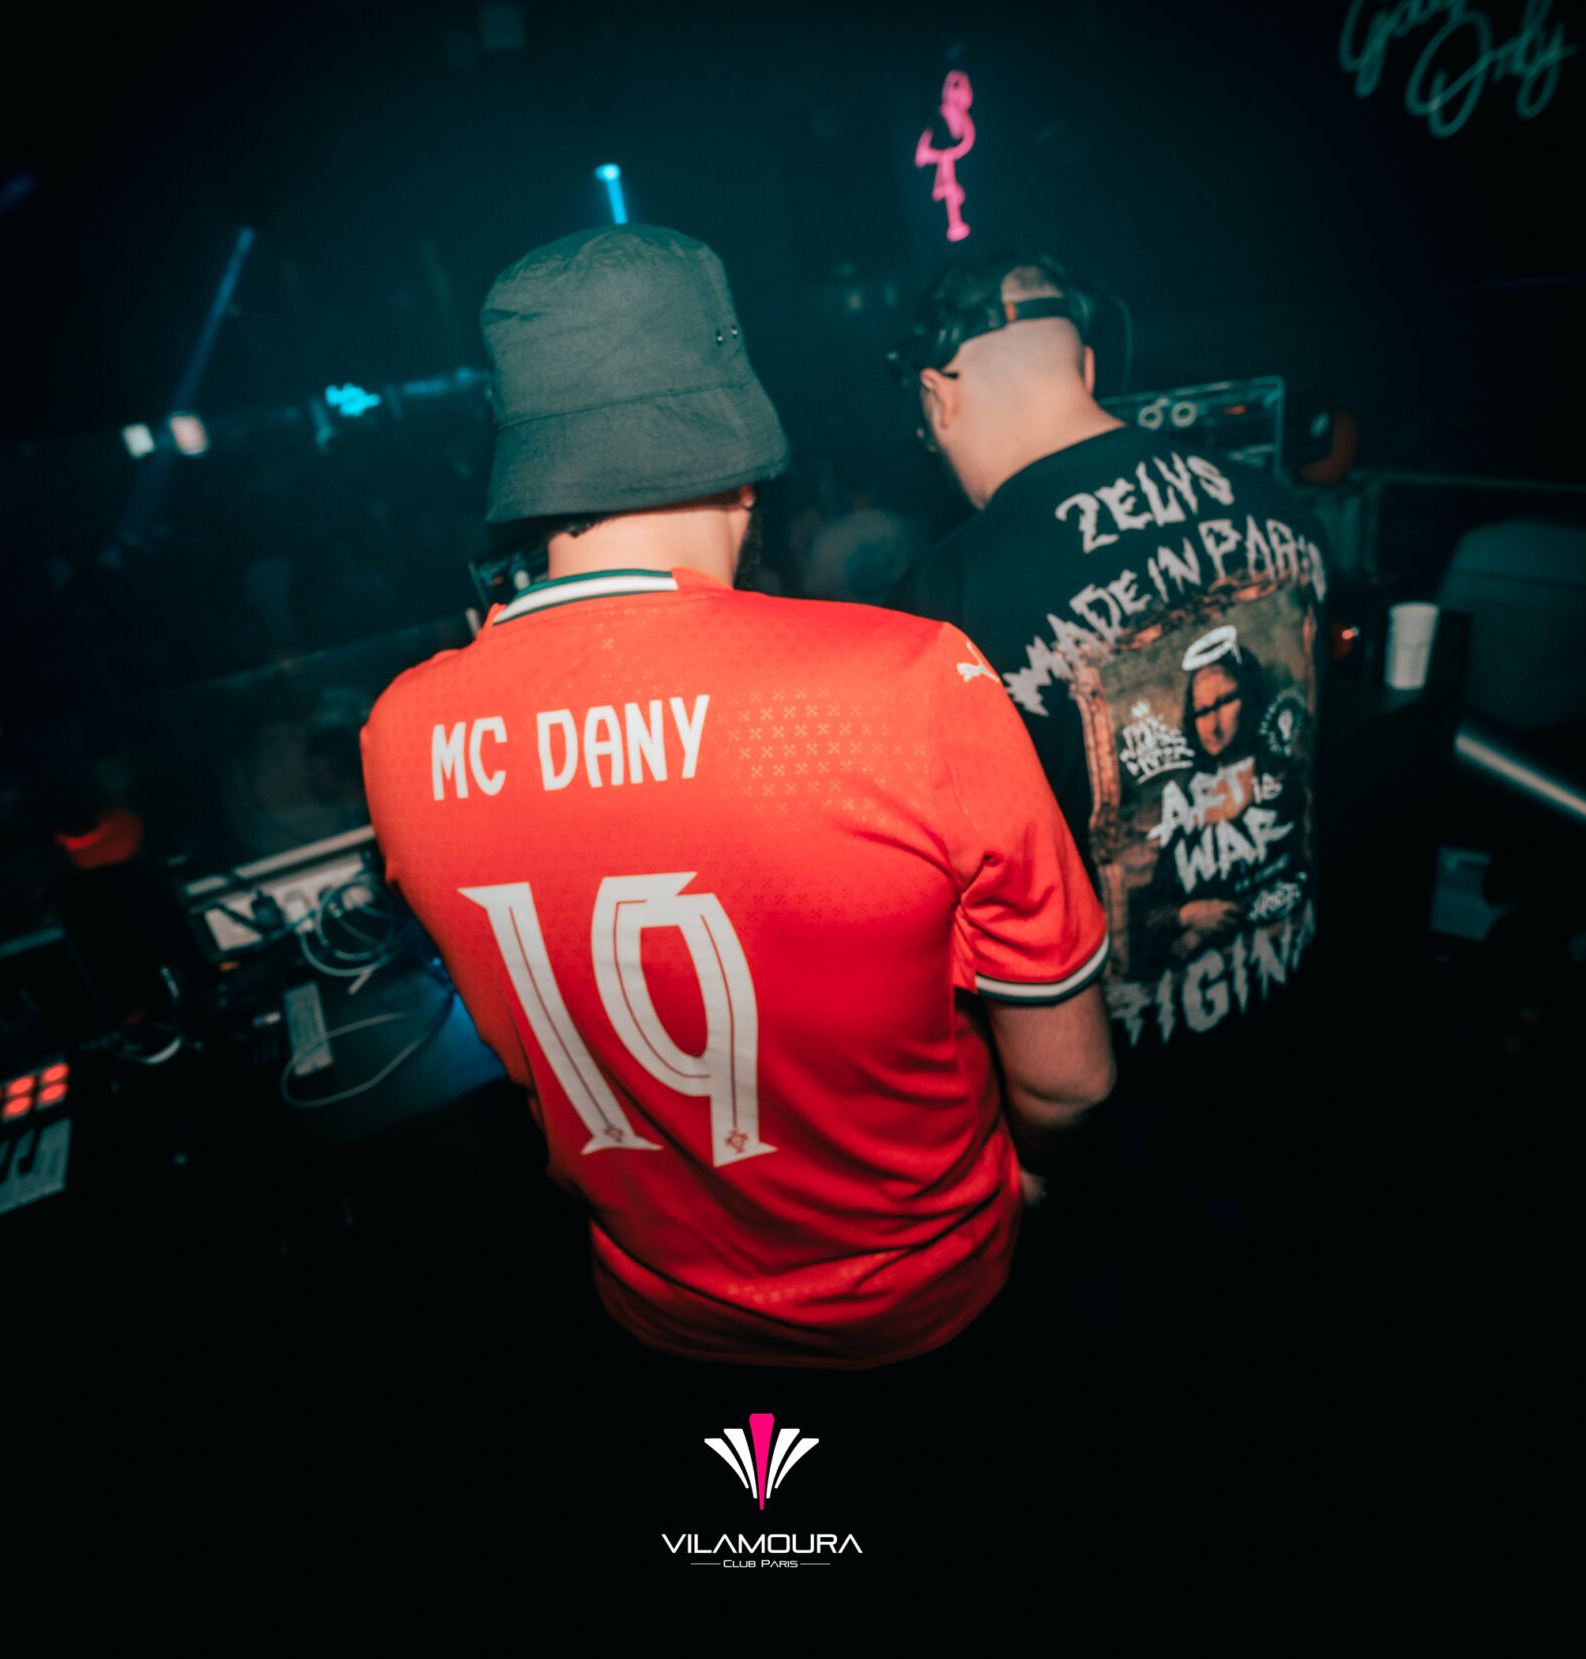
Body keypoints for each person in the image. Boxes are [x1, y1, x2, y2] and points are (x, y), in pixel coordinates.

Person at [359, 225, 1113, 1373]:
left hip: (657, 1318)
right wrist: (1035, 1171)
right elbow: (1069, 1079)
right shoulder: (906, 683)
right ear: (745, 454)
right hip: (924, 1309)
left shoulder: (402, 734)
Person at [885, 247, 1331, 1284]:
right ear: (1086, 365)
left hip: (1114, 1121)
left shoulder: (945, 603)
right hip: (1289, 1036)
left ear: (936, 396)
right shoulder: (1282, 509)